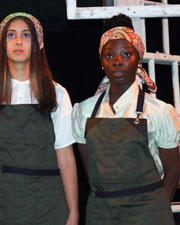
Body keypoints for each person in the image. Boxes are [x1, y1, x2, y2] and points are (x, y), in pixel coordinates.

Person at [0, 12, 78, 225]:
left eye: (26, 35)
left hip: (47, 203)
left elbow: (66, 157)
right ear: (1, 43)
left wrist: (73, 212)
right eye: (11, 35)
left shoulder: (57, 94)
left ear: (37, 44)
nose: (18, 41)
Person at [72, 14, 180, 225]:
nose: (117, 61)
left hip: (148, 213)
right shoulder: (83, 112)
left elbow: (173, 172)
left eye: (126, 54)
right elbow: (90, 171)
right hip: (101, 213)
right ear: (101, 63)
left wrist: (155, 209)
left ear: (138, 60)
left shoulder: (160, 112)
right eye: (109, 55)